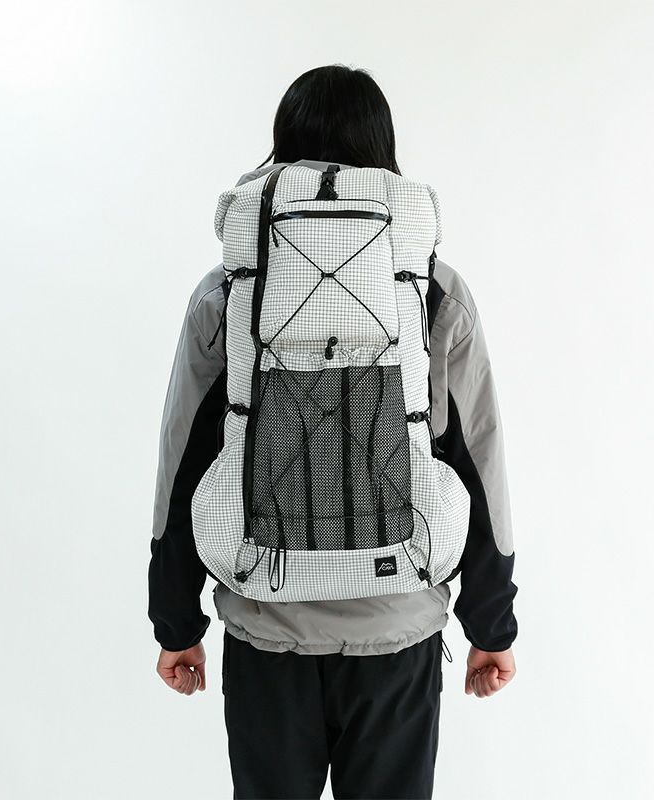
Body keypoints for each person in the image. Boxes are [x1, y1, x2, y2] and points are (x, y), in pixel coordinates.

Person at [148, 64, 518, 800]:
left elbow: (183, 458)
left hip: (266, 630)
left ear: (282, 146)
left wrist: (175, 620)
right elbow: (477, 454)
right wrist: (492, 625)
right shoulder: (434, 290)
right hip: (397, 633)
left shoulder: (230, 290)